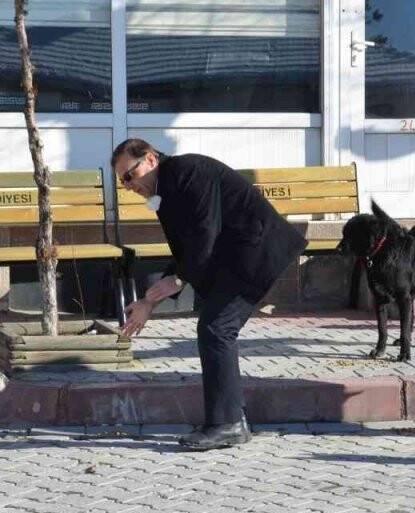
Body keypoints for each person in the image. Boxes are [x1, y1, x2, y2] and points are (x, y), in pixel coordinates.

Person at [112, 139, 307, 450]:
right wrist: (152, 298)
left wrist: (177, 281)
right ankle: (231, 418)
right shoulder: (167, 188)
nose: (127, 186)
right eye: (122, 181)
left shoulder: (189, 172)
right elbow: (186, 248)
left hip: (257, 252)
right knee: (216, 328)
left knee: (216, 328)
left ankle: (227, 423)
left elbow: (205, 230)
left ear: (150, 158)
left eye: (129, 176)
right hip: (236, 258)